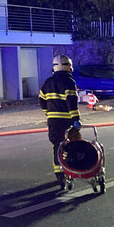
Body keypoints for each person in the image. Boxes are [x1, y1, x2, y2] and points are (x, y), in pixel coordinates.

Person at [39, 54, 81, 189]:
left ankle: (60, 175)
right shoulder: (69, 81)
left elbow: (42, 101)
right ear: (69, 67)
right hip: (67, 120)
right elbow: (71, 103)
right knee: (71, 145)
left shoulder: (47, 82)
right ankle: (70, 170)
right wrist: (75, 119)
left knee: (57, 146)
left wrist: (49, 114)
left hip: (53, 121)